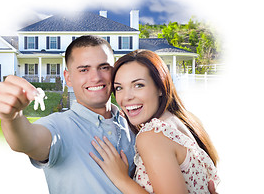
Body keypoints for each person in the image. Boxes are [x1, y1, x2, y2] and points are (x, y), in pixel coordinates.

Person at [0, 35, 136, 193]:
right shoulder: (57, 126)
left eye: (104, 67)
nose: (96, 77)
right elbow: (28, 141)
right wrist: (11, 118)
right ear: (68, 78)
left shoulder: (132, 123)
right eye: (84, 70)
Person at [89, 50, 220, 193]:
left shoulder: (153, 135)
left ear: (160, 88)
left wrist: (121, 179)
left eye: (138, 85)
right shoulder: (181, 122)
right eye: (119, 88)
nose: (126, 97)